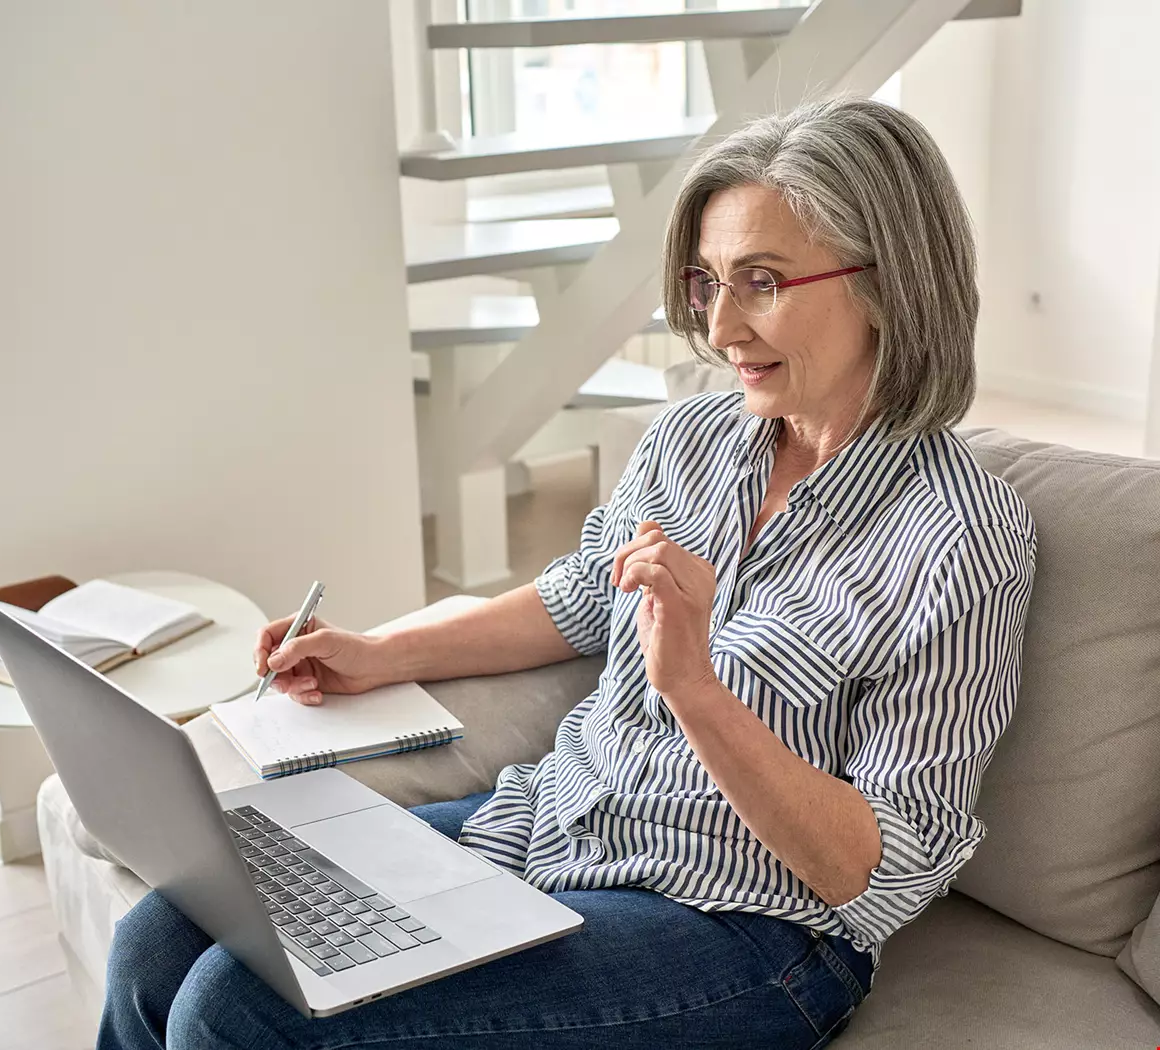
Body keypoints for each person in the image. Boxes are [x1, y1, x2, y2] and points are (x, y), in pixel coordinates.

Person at [99, 95, 1037, 1050]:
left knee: (237, 1011)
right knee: (159, 937)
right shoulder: (694, 440)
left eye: (762, 282)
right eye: (707, 282)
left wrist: (695, 691)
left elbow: (881, 875)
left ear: (891, 282)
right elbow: (582, 597)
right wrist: (378, 653)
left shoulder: (962, 537)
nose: (720, 330)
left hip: (744, 932)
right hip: (548, 828)